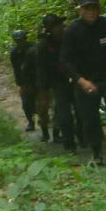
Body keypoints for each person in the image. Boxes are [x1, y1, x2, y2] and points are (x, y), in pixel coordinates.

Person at [61, 0, 106, 164]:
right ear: (81, 10)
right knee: (89, 119)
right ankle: (97, 153)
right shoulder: (72, 30)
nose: (91, 12)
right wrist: (80, 80)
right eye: (87, 8)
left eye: (94, 8)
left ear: (99, 9)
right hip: (84, 81)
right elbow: (65, 61)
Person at [33, 14, 68, 145]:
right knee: (43, 108)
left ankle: (57, 133)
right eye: (55, 26)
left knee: (59, 108)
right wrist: (42, 87)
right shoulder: (43, 46)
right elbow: (40, 67)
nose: (59, 28)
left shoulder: (65, 41)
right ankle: (45, 132)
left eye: (60, 25)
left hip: (60, 80)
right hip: (45, 82)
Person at [8, 29, 38, 133]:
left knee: (42, 102)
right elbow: (16, 70)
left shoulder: (34, 48)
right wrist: (20, 84)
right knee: (26, 103)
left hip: (37, 78)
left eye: (21, 40)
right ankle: (31, 122)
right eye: (17, 41)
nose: (19, 42)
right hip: (25, 81)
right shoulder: (14, 53)